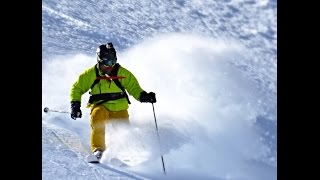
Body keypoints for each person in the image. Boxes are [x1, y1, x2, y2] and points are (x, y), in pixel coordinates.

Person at [70, 42, 156, 160]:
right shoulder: (91, 74)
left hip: (120, 108)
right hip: (101, 106)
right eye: (107, 62)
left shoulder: (123, 73)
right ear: (99, 60)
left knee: (123, 131)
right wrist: (75, 105)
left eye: (113, 61)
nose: (110, 66)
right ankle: (98, 149)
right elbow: (77, 88)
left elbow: (134, 88)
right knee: (97, 117)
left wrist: (144, 96)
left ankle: (127, 152)